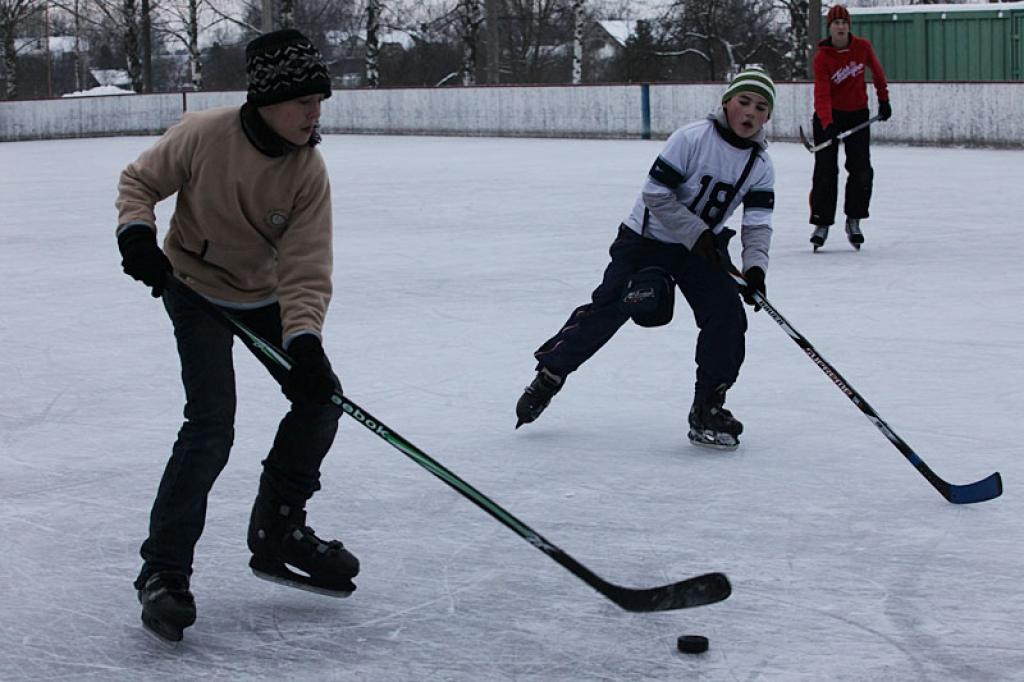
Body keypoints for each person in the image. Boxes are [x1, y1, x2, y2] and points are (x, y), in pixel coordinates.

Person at [115, 29, 358, 642]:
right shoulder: (204, 134)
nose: (314, 113)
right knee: (211, 425)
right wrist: (137, 235)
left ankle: (278, 528)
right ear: (268, 101)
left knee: (320, 400)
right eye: (303, 101)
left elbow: (306, 266)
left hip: (265, 295)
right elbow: (139, 183)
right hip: (193, 288)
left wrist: (304, 342)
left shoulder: (307, 171)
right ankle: (164, 570)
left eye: (319, 102)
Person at [515, 67, 777, 451]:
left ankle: (708, 406)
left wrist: (755, 269)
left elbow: (758, 224)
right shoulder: (691, 138)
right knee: (610, 310)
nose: (750, 112)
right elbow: (656, 194)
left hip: (702, 250)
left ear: (768, 117)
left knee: (727, 316)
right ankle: (552, 372)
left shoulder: (760, 165)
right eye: (744, 101)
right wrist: (696, 233)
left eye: (760, 107)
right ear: (726, 102)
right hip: (646, 241)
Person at [809, 3, 891, 250]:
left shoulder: (862, 47)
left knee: (861, 169)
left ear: (849, 26)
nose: (841, 26)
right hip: (829, 117)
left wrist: (884, 99)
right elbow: (821, 93)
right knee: (825, 172)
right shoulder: (823, 58)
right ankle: (822, 223)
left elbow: (877, 73)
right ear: (830, 28)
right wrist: (828, 123)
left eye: (844, 22)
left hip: (858, 115)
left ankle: (854, 220)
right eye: (836, 23)